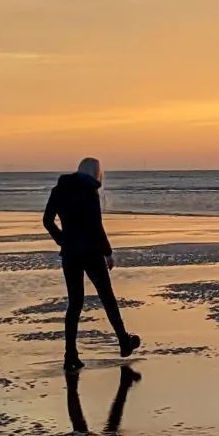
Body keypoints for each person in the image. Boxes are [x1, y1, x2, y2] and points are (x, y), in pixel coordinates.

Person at [42, 157, 141, 370]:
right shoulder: (89, 192)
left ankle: (70, 355)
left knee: (75, 304)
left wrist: (63, 240)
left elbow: (47, 221)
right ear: (96, 173)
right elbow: (96, 226)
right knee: (107, 298)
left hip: (70, 254)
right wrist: (108, 253)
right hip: (91, 252)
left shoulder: (59, 189)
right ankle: (124, 341)